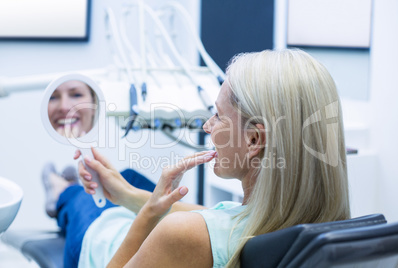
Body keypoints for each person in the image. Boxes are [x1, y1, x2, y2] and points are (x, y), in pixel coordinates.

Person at [43, 48, 350, 268]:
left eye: (217, 116)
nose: (206, 126)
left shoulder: (182, 235)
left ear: (254, 139)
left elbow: (196, 227)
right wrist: (130, 196)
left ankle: (59, 189)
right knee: (130, 177)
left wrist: (148, 213)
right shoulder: (308, 224)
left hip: (100, 247)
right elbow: (219, 215)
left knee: (81, 199)